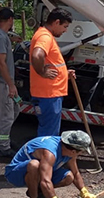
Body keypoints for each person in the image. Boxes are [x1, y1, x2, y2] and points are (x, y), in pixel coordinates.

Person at [5, 130, 97, 198]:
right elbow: (45, 180)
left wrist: (84, 191)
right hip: (15, 173)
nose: (81, 153)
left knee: (69, 177)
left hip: (39, 174)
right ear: (73, 151)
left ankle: (38, 192)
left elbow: (75, 172)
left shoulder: (68, 150)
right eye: (81, 151)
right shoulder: (50, 152)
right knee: (34, 165)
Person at [30, 8, 73, 137]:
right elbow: (37, 55)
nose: (65, 30)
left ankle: (43, 155)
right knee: (49, 135)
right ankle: (45, 156)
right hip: (49, 94)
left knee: (46, 131)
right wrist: (42, 72)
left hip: (47, 93)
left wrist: (64, 74)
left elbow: (51, 62)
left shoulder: (43, 34)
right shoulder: (45, 37)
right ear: (56, 22)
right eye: (64, 26)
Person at [0, 7, 19, 156]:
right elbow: (1, 63)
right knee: (6, 115)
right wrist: (11, 85)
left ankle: (0, 134)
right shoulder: (0, 37)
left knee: (15, 109)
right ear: (10, 20)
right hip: (3, 83)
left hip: (4, 82)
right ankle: (4, 146)